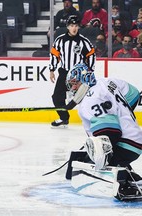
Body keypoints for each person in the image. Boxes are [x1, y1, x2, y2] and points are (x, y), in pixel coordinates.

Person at [65, 63, 142, 199]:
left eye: (75, 83)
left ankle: (124, 181)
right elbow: (134, 94)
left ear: (85, 79)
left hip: (126, 145)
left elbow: (111, 133)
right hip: (135, 137)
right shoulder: (106, 82)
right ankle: (125, 170)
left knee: (95, 159)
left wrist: (98, 159)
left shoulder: (90, 100)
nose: (73, 88)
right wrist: (121, 113)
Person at [49, 15, 96, 128]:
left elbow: (91, 55)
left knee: (86, 99)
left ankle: (94, 119)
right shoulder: (60, 40)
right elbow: (55, 55)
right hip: (64, 73)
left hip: (78, 76)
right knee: (56, 97)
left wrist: (89, 70)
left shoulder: (84, 42)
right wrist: (52, 69)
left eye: (76, 26)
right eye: (71, 25)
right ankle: (64, 118)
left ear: (79, 27)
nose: (74, 28)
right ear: (67, 27)